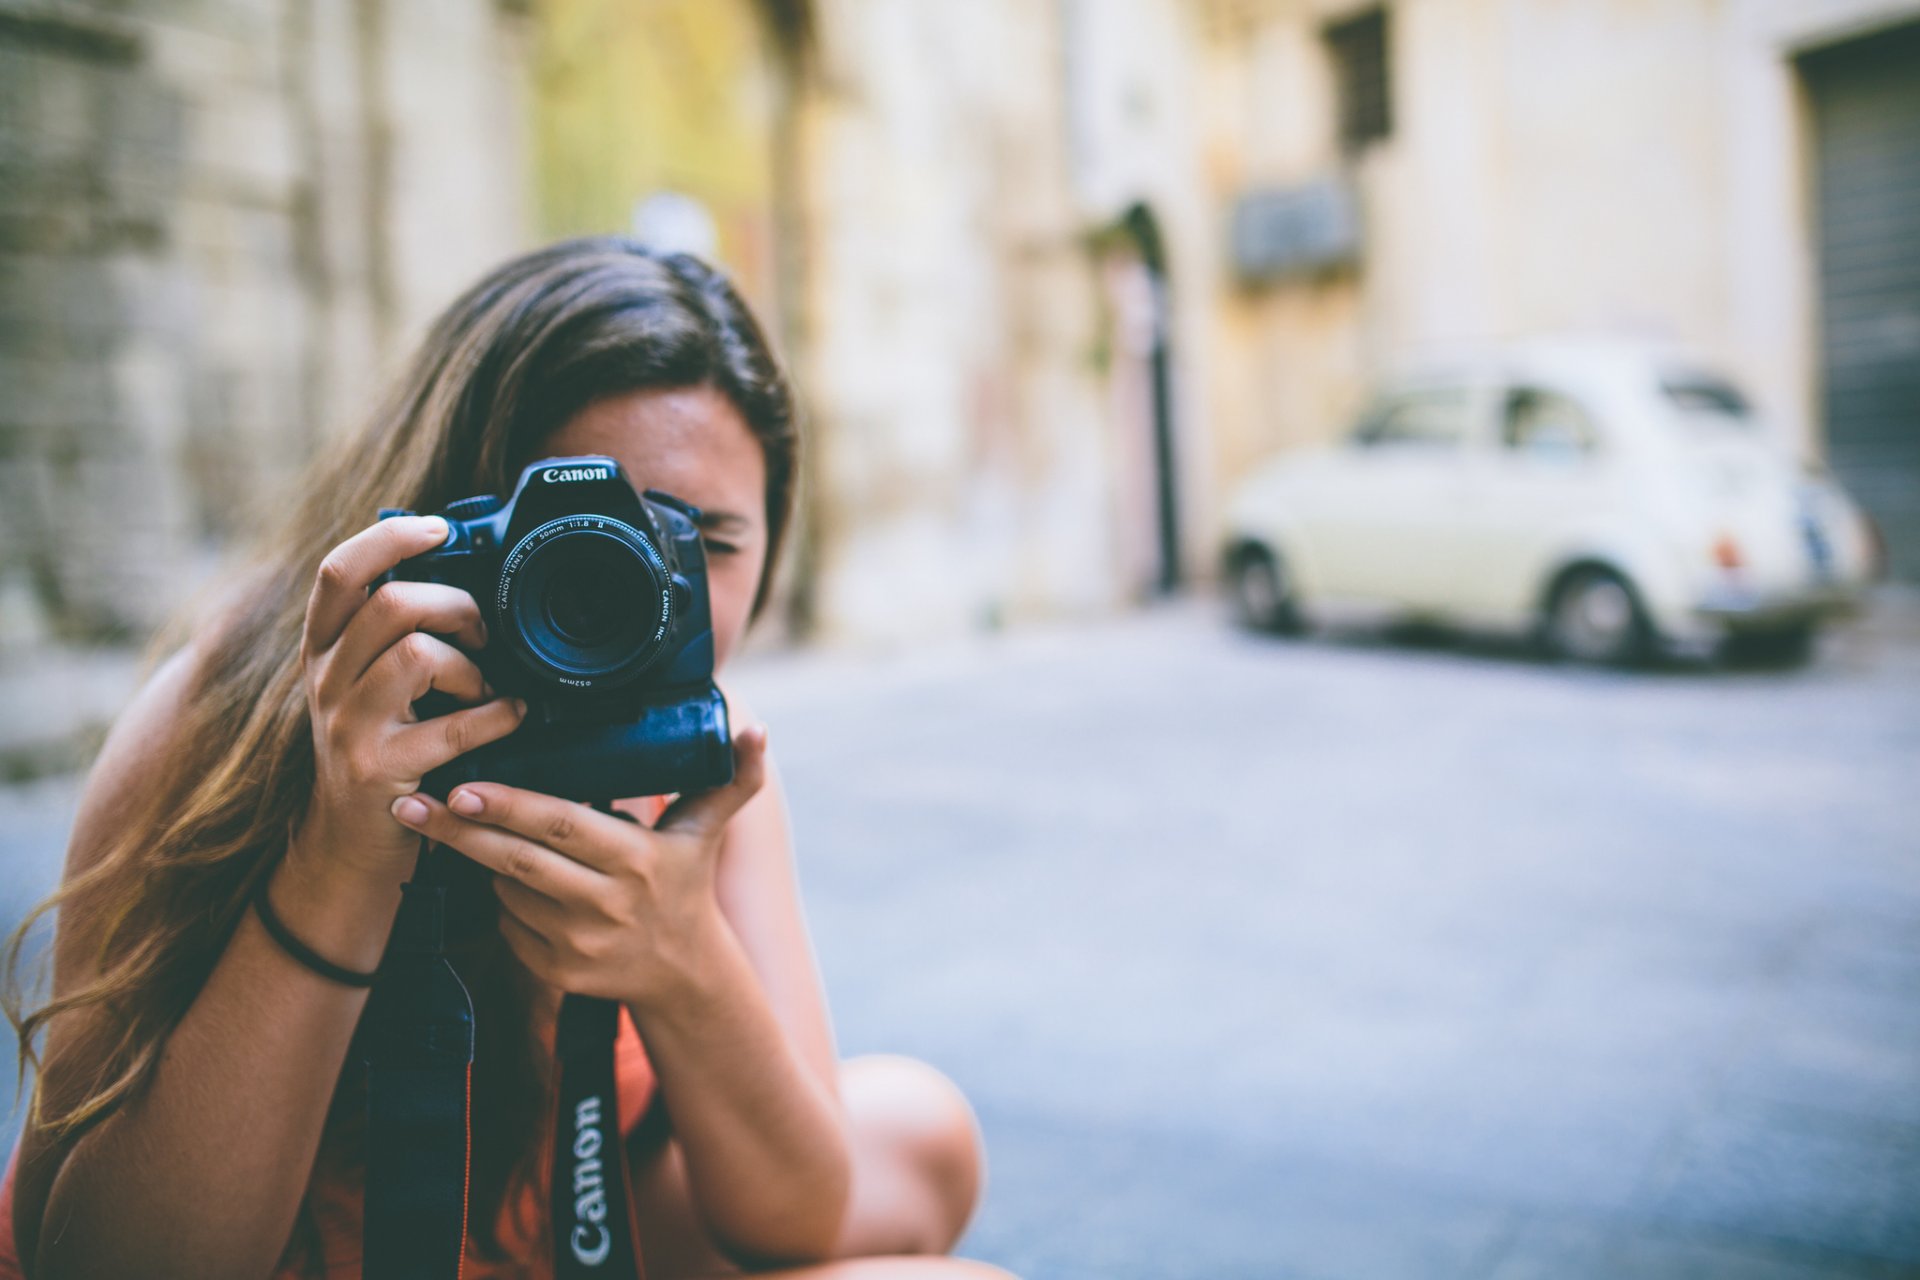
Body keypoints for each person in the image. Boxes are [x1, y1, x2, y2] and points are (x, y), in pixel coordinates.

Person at [0, 238, 1004, 1280]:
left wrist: (679, 959)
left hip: (551, 1215)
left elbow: (795, 1217)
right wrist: (340, 854)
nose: (635, 592)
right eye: (585, 537)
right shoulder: (235, 715)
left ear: (774, 547)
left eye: (697, 542)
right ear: (446, 524)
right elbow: (95, 1260)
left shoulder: (700, 751)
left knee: (923, 1131)